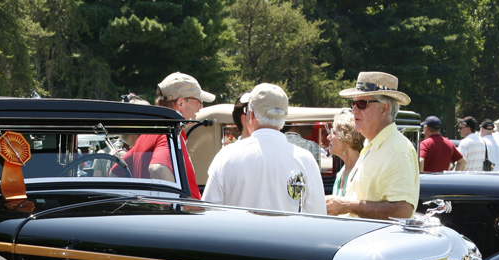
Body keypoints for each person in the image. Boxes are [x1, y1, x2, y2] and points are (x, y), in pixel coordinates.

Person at [202, 83, 325, 214]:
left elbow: (210, 212)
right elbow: (317, 215)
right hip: (288, 235)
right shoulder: (305, 159)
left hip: (238, 234)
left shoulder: (226, 156)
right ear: (284, 118)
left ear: (251, 115)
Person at [325, 71, 418, 219]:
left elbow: (403, 211)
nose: (354, 109)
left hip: (380, 242)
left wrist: (348, 205)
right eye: (353, 103)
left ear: (384, 108)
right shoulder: (370, 144)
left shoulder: (397, 149)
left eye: (362, 104)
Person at [124, 72, 213, 197]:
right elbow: (158, 169)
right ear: (181, 103)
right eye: (198, 101)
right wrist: (180, 204)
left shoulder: (148, 134)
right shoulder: (169, 134)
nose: (201, 106)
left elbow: (117, 170)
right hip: (182, 215)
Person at [328, 109, 364, 195]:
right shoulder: (342, 172)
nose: (328, 137)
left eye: (333, 133)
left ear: (346, 139)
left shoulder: (361, 172)